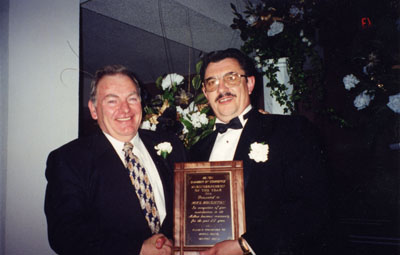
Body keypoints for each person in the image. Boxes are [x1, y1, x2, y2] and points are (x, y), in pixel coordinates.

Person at [190, 48, 329, 255]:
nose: (222, 88)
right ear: (205, 93)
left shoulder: (290, 130)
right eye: (212, 82)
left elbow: (314, 206)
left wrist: (247, 246)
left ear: (250, 84)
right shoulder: (195, 152)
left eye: (231, 77)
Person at [44, 65, 187, 255]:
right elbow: (65, 235)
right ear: (94, 110)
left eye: (132, 98)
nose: (125, 109)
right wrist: (138, 250)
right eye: (112, 101)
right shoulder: (69, 160)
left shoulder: (171, 144)